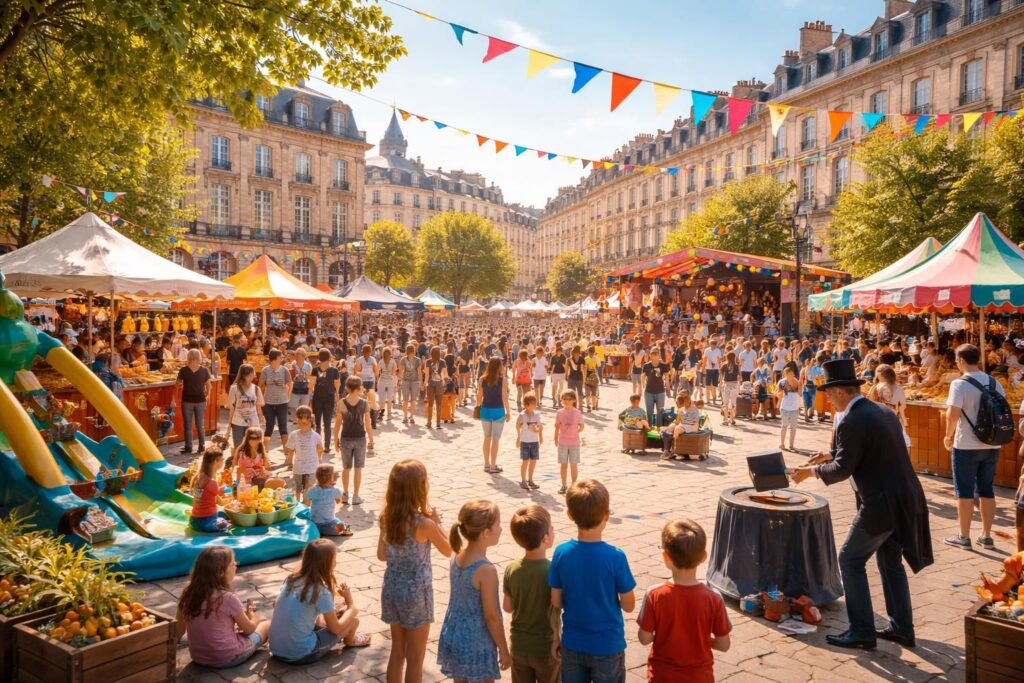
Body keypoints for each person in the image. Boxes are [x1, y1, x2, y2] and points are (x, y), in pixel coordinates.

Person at [792, 359, 933, 650]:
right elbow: (862, 450)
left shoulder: (852, 420)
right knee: (889, 560)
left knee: (850, 559)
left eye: (829, 395)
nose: (828, 401)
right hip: (904, 497)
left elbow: (843, 469)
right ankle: (902, 627)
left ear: (841, 392)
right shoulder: (880, 410)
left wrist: (810, 472)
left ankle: (862, 630)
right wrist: (828, 454)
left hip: (882, 502)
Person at [549, 479, 636, 682]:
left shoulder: (561, 553)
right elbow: (629, 605)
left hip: (573, 643)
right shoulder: (615, 557)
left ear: (570, 516)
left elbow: (556, 602)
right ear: (606, 516)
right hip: (607, 644)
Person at [378, 459, 453, 683]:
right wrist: (438, 523)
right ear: (420, 487)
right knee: (416, 656)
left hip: (391, 588)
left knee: (397, 651)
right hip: (416, 593)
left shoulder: (386, 517)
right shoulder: (424, 524)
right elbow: (449, 550)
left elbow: (382, 555)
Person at [637, 519, 731, 682]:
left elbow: (644, 638)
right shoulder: (714, 598)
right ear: (704, 557)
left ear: (666, 557)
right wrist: (703, 639)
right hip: (700, 677)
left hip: (662, 676)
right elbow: (724, 645)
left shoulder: (654, 595)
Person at [942, 344, 1007, 550]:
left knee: (965, 491)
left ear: (961, 360)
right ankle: (986, 536)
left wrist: (947, 435)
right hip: (992, 444)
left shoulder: (959, 384)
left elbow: (953, 415)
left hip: (966, 445)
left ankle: (964, 536)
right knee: (987, 489)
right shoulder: (995, 382)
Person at [438, 500, 510, 682]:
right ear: (486, 533)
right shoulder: (486, 570)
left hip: (454, 632)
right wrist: (503, 648)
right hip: (477, 640)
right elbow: (492, 615)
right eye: (498, 525)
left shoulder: (458, 556)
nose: (501, 529)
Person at [268, 539, 370, 664]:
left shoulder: (291, 579)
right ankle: (351, 639)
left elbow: (315, 619)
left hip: (276, 649)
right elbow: (336, 629)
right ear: (328, 564)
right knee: (353, 622)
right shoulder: (320, 591)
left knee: (333, 611)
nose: (336, 562)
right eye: (334, 560)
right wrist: (350, 605)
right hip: (300, 654)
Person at [176, 547, 271, 669]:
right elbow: (249, 629)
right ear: (221, 572)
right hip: (227, 658)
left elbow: (178, 632)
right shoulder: (228, 597)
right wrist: (254, 617)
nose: (236, 565)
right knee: (266, 624)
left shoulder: (187, 594)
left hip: (198, 657)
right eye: (233, 564)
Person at [503, 505, 560, 683]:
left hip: (519, 645)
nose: (553, 530)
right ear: (545, 538)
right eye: (551, 528)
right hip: (545, 646)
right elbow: (558, 603)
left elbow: (507, 606)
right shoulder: (553, 570)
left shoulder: (511, 568)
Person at [334, 376, 373, 506]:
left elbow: (338, 424)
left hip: (345, 438)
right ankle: (356, 496)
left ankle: (345, 494)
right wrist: (371, 439)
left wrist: (335, 440)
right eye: (361, 386)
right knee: (358, 468)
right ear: (357, 388)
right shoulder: (364, 403)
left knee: (346, 468)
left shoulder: (341, 403)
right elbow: (368, 424)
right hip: (360, 438)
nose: (363, 388)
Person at [476, 357, 510, 475]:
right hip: (498, 411)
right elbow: (504, 397)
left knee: (486, 438)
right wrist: (508, 411)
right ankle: (493, 465)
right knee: (495, 439)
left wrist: (477, 407)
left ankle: (486, 464)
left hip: (485, 410)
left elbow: (479, 396)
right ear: (499, 366)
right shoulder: (503, 380)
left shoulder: (482, 379)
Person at [177, 349, 212, 455]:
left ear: (188, 357)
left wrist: (182, 386)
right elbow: (209, 385)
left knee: (188, 425)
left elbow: (177, 384)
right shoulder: (205, 370)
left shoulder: (183, 370)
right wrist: (208, 395)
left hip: (187, 400)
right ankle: (201, 446)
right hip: (200, 400)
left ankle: (189, 447)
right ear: (199, 357)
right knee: (200, 424)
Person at [304, 464, 353, 537]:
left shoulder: (313, 490)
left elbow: (307, 504)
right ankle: (344, 529)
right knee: (341, 524)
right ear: (331, 478)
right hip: (329, 523)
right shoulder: (336, 490)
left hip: (314, 523)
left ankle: (316, 532)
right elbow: (338, 501)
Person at [189, 447, 230, 533]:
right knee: (226, 521)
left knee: (222, 514)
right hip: (207, 523)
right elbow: (220, 502)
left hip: (194, 521)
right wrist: (228, 496)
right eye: (222, 460)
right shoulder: (212, 483)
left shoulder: (199, 477)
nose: (223, 462)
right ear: (216, 461)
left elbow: (200, 498)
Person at [284, 405, 323, 497]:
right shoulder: (294, 435)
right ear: (297, 421)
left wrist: (318, 459)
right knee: (297, 489)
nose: (303, 426)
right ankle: (298, 506)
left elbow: (320, 448)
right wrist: (290, 462)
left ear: (311, 422)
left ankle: (306, 506)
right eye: (300, 423)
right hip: (298, 467)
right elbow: (291, 450)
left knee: (309, 489)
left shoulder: (316, 436)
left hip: (312, 468)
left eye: (305, 423)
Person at [259, 349, 293, 451]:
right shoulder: (265, 370)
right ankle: (265, 451)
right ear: (274, 359)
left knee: (283, 427)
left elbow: (290, 383)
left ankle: (286, 452)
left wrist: (288, 396)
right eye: (280, 357)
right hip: (268, 402)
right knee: (269, 426)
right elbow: (260, 385)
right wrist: (260, 400)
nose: (282, 358)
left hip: (282, 402)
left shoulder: (285, 370)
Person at [225, 363, 263, 451]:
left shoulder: (256, 389)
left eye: (252, 375)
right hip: (237, 422)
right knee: (238, 447)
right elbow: (231, 407)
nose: (251, 377)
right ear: (243, 376)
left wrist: (261, 418)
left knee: (253, 447)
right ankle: (238, 463)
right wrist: (229, 424)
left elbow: (258, 406)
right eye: (249, 375)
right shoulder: (234, 388)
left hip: (253, 422)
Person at [310, 349, 340, 455]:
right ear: (328, 357)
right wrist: (337, 396)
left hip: (317, 398)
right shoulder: (334, 370)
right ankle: (326, 446)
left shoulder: (315, 370)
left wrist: (309, 398)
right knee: (327, 423)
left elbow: (311, 385)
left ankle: (318, 445)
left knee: (318, 423)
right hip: (329, 398)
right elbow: (337, 385)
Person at [554, 390, 584, 495]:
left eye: (569, 399)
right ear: (561, 400)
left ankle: (574, 485)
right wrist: (555, 437)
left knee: (573, 465)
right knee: (563, 464)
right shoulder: (559, 412)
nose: (567, 401)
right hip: (562, 441)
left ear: (574, 400)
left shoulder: (578, 413)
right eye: (564, 399)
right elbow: (557, 426)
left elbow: (581, 426)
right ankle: (563, 484)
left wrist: (577, 431)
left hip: (574, 442)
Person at [516, 393, 543, 491]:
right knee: (525, 461)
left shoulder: (537, 415)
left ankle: (530, 479)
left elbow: (540, 426)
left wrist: (539, 434)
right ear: (526, 405)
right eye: (533, 404)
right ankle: (523, 480)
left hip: (534, 441)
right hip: (525, 441)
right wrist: (518, 437)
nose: (535, 405)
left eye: (535, 403)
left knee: (533, 461)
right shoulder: (522, 415)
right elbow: (517, 425)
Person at [640, 348, 671, 428]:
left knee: (660, 411)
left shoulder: (663, 365)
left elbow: (667, 377)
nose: (654, 355)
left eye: (656, 353)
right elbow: (642, 377)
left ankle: (658, 428)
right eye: (652, 353)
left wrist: (668, 389)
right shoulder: (646, 365)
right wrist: (641, 387)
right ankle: (649, 428)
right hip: (648, 392)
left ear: (659, 355)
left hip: (660, 391)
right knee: (649, 412)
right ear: (650, 355)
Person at [776, 365, 802, 451]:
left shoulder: (797, 382)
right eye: (788, 373)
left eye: (791, 373)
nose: (790, 375)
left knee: (793, 427)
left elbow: (800, 394)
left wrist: (799, 386)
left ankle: (791, 445)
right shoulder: (782, 382)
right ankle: (782, 444)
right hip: (785, 407)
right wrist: (781, 394)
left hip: (794, 407)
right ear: (785, 374)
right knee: (784, 426)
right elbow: (778, 394)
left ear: (793, 373)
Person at [422, 345, 448, 431]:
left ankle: (429, 422)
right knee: (439, 404)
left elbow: (426, 375)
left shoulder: (428, 361)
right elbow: (445, 374)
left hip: (430, 384)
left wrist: (424, 384)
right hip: (439, 384)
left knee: (430, 404)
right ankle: (438, 423)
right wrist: (444, 383)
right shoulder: (443, 362)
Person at [399, 343, 422, 425]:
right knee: (408, 401)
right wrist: (421, 382)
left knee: (411, 400)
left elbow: (419, 372)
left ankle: (408, 417)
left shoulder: (417, 360)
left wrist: (399, 381)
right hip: (410, 381)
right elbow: (401, 371)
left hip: (410, 381)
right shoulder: (414, 360)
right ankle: (408, 417)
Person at [289, 347, 312, 414]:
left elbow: (309, 378)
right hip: (295, 388)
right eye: (296, 356)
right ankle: (295, 419)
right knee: (293, 406)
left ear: (303, 356)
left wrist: (310, 390)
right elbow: (290, 375)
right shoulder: (293, 364)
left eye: (299, 357)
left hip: (305, 389)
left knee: (304, 407)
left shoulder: (308, 365)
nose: (297, 358)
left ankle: (302, 419)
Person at [378, 347, 399, 421]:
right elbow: (394, 372)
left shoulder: (384, 361)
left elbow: (394, 372)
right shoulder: (390, 361)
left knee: (385, 398)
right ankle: (385, 413)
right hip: (386, 380)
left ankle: (384, 412)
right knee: (386, 398)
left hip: (386, 380)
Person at [720, 351, 740, 427]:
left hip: (726, 384)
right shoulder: (736, 366)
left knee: (725, 403)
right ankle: (732, 419)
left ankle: (725, 419)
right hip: (734, 385)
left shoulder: (724, 365)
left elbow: (721, 375)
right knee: (733, 403)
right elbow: (739, 376)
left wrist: (721, 384)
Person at [702, 339, 723, 405]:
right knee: (713, 385)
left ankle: (708, 399)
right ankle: (713, 399)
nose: (713, 346)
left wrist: (703, 368)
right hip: (715, 369)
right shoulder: (718, 350)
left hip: (709, 369)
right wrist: (720, 368)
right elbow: (719, 360)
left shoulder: (707, 350)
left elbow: (704, 360)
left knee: (708, 385)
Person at [549, 344, 567, 409]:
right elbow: (551, 366)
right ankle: (554, 401)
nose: (559, 352)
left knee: (561, 388)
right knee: (554, 388)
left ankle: (560, 401)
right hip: (555, 374)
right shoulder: (553, 357)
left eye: (560, 351)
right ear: (556, 351)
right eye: (558, 351)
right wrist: (551, 374)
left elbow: (565, 366)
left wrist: (565, 371)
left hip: (562, 373)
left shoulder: (564, 357)